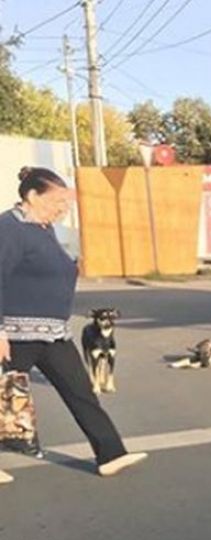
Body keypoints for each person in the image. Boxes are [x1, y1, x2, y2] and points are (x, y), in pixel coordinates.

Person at [0, 167, 147, 478]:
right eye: (57, 202)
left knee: (80, 391)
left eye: (66, 203)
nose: (63, 210)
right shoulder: (9, 228)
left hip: (53, 333)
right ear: (32, 196)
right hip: (15, 334)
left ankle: (110, 454)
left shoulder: (43, 228)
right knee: (5, 397)